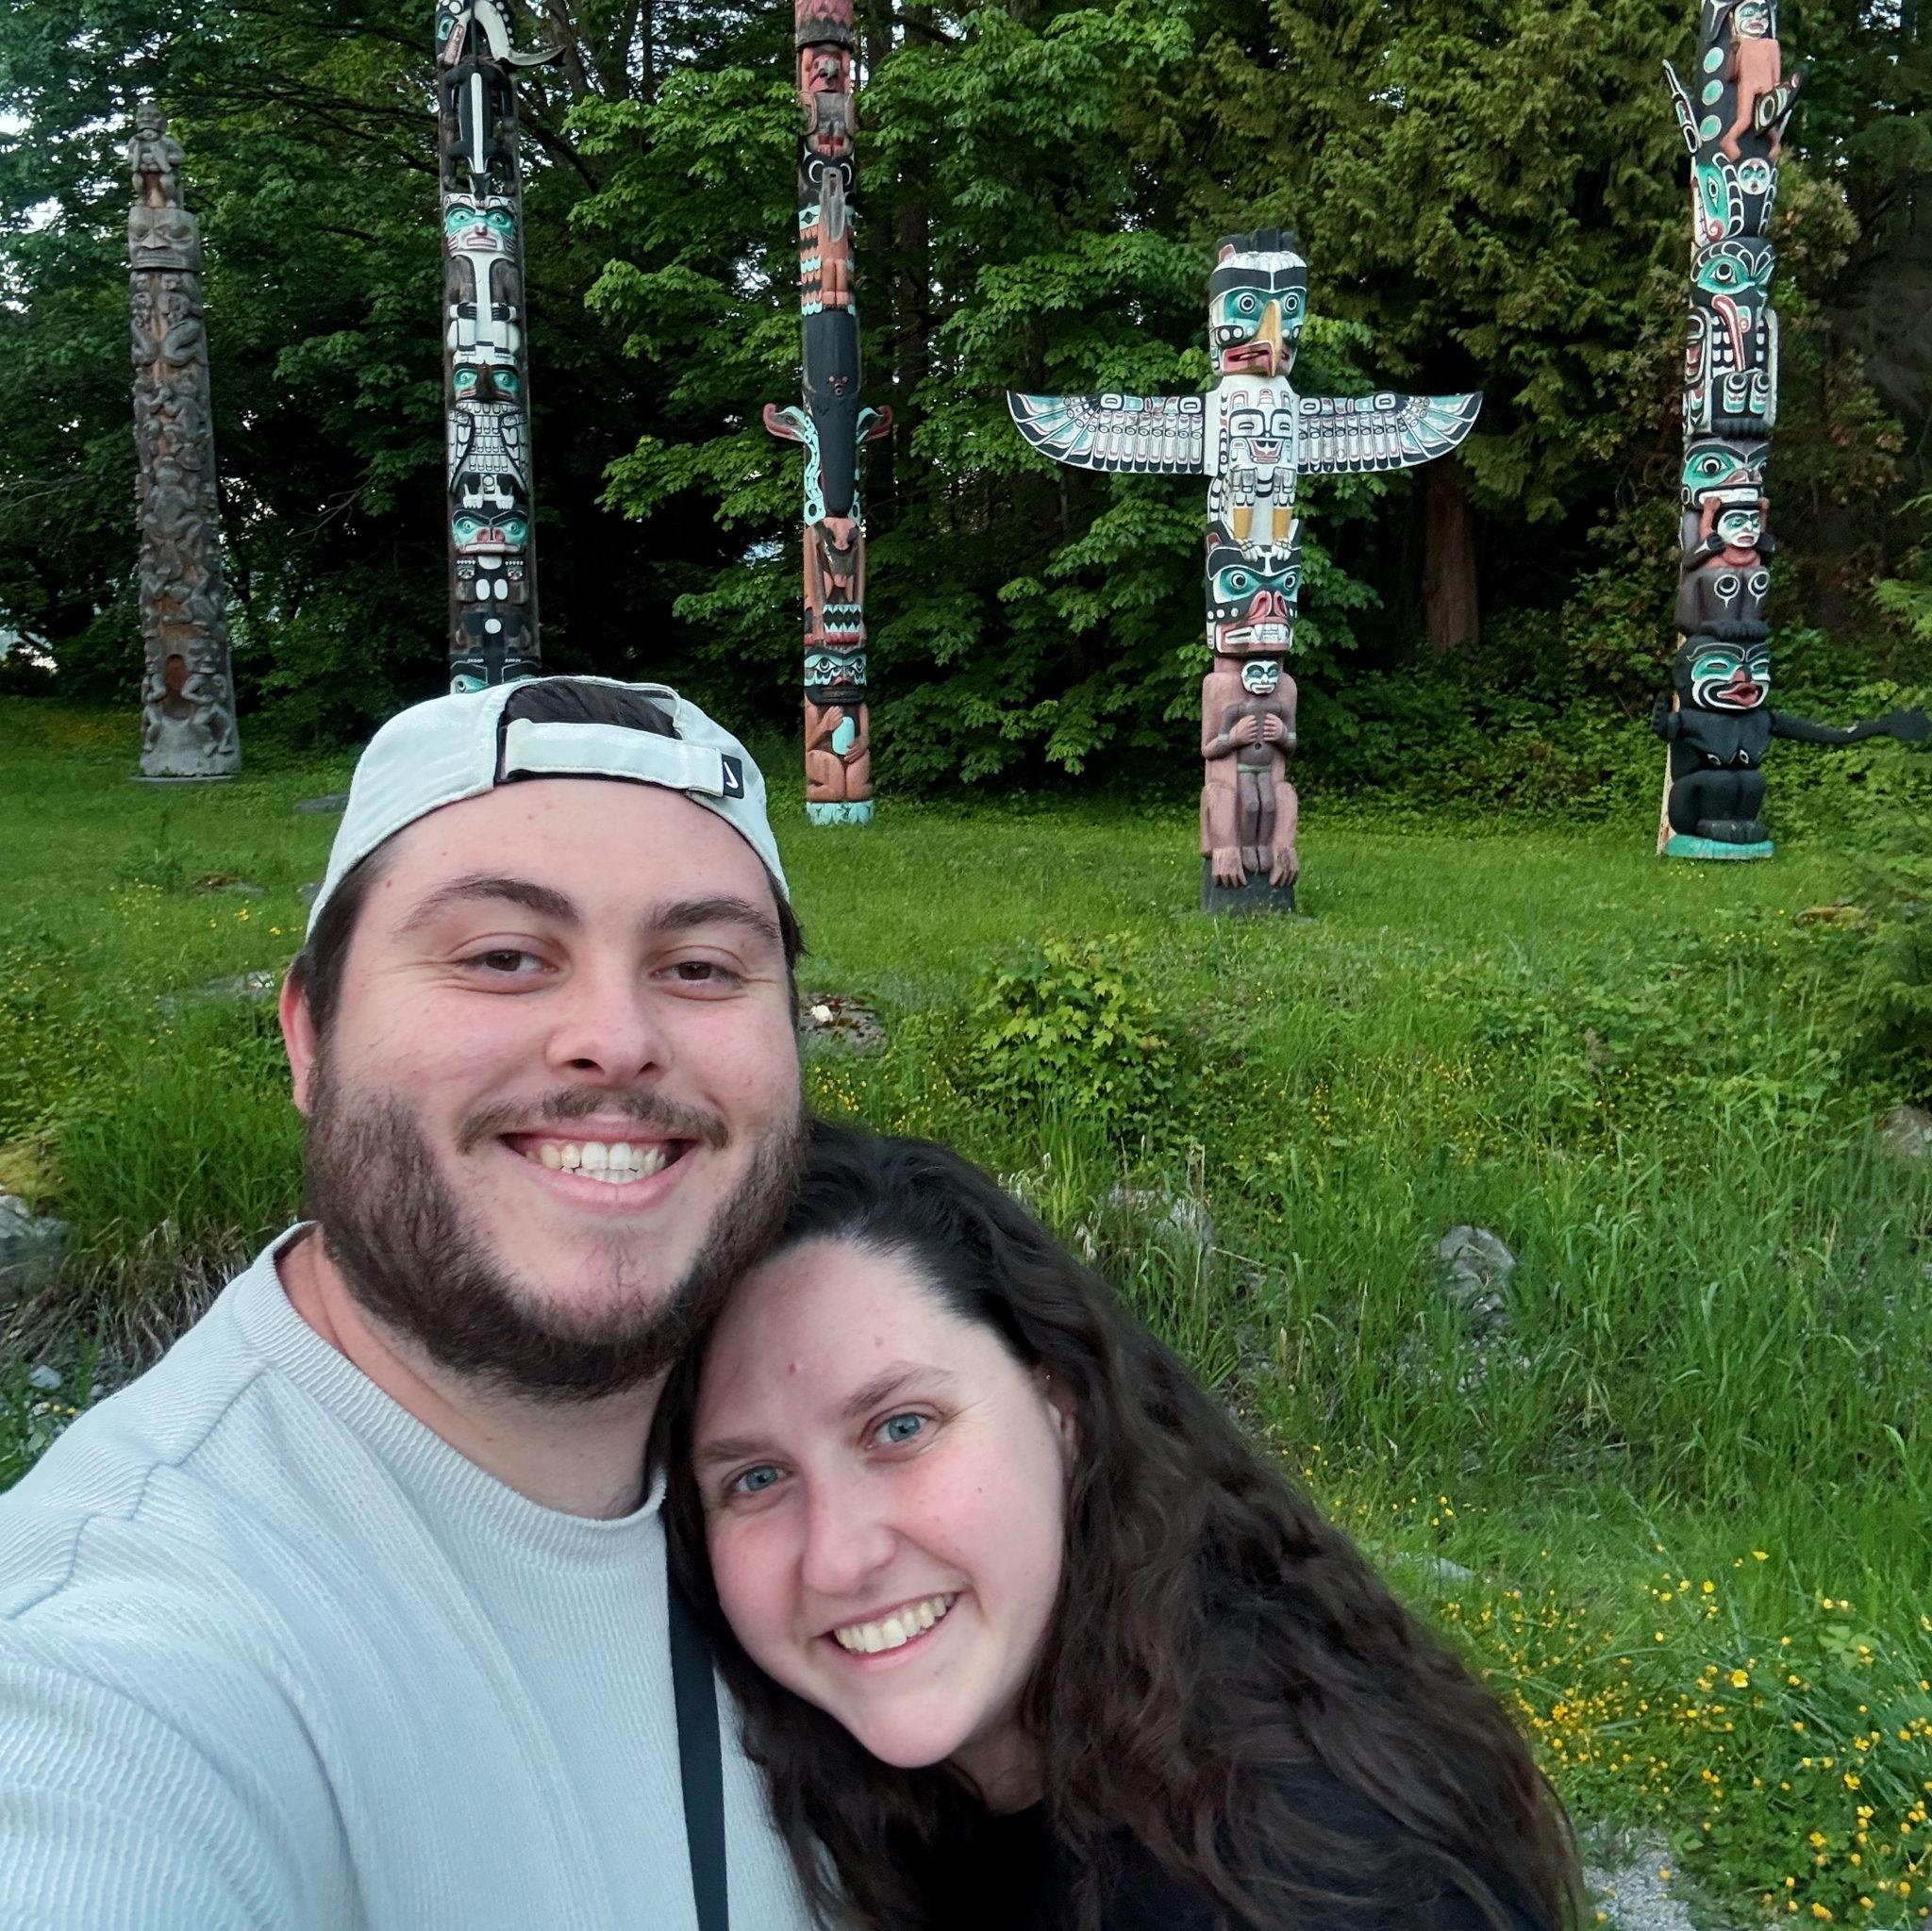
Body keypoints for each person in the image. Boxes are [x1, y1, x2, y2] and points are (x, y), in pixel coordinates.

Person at [0, 676, 819, 1930]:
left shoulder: (846, 1483)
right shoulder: (111, 1645)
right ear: (309, 1037)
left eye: (702, 965)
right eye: (501, 955)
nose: (616, 1035)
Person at [662, 1124, 1583, 1931]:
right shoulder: (912, 1799)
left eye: (900, 1427)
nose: (838, 1555)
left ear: (1058, 1405)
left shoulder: (1311, 1876)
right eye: (755, 1477)